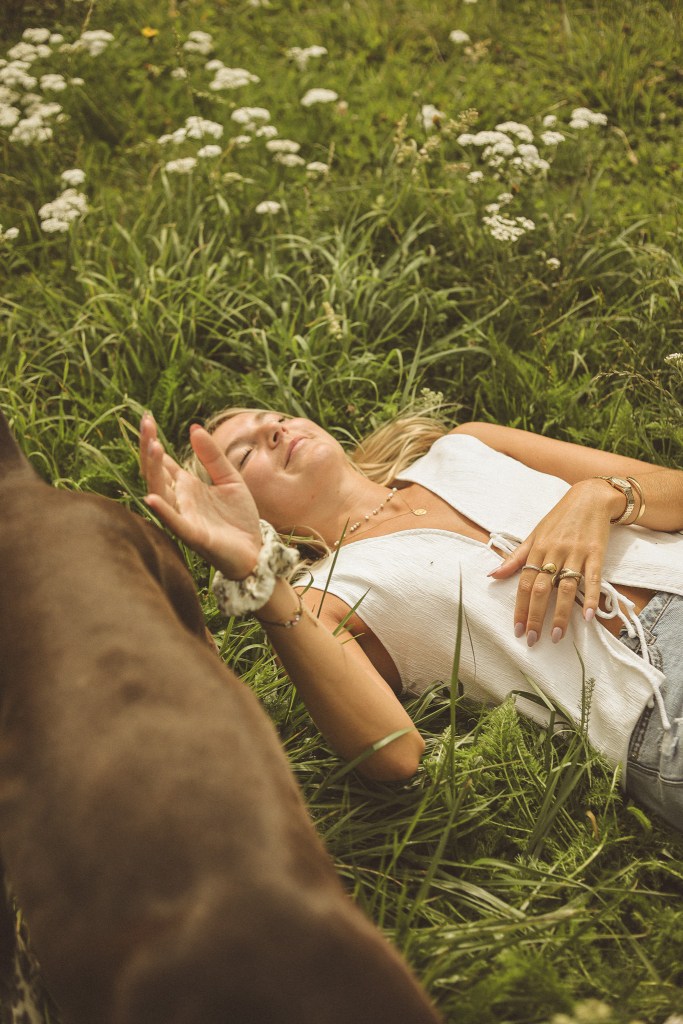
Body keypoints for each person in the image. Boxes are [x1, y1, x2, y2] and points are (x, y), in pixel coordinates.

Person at [139, 407, 683, 832]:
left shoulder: (466, 445)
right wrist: (257, 575)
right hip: (654, 701)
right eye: (245, 453)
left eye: (276, 419)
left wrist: (599, 495)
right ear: (243, 508)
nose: (275, 432)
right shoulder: (320, 600)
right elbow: (393, 753)